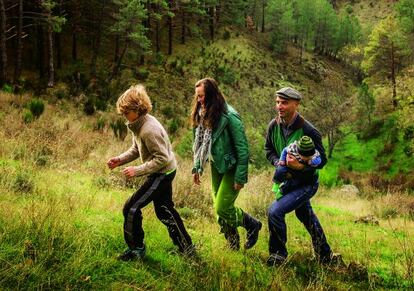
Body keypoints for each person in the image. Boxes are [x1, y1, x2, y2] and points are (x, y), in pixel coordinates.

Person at [107, 84, 194, 261]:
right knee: (165, 211)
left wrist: (137, 170)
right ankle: (187, 248)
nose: (125, 116)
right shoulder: (138, 124)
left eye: (126, 112)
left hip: (162, 173)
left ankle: (136, 250)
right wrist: (120, 159)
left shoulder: (149, 130)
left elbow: (161, 158)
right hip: (166, 170)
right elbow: (137, 148)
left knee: (131, 208)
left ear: (137, 109)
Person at [265, 87, 334, 266]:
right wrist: (279, 163)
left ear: (296, 104)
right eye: (278, 102)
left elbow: (323, 160)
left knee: (275, 212)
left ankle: (278, 256)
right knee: (307, 216)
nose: (280, 106)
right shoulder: (273, 125)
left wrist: (301, 165)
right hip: (288, 182)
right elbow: (269, 150)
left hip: (306, 183)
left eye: (285, 103)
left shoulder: (309, 131)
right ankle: (325, 256)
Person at [191, 77, 262, 250]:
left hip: (232, 167)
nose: (199, 100)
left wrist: (240, 177)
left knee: (222, 208)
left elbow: (243, 148)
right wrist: (197, 167)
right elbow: (199, 143)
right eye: (197, 96)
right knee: (219, 211)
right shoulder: (202, 114)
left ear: (212, 95)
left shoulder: (229, 116)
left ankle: (252, 224)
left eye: (202, 96)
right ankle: (233, 243)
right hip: (217, 166)